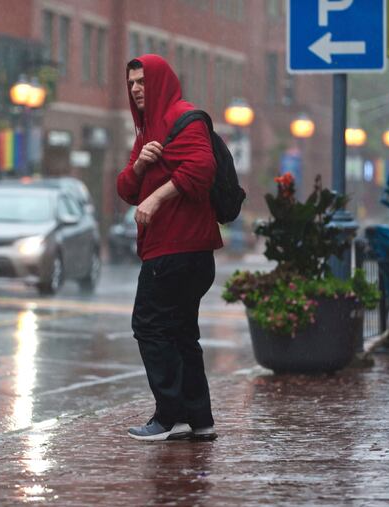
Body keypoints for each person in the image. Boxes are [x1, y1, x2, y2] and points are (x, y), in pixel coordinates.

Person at [117, 54, 223, 442]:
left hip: (178, 251)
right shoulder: (146, 130)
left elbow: (201, 169)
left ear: (160, 80)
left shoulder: (185, 118)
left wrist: (157, 198)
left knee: (149, 327)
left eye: (142, 81)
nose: (135, 89)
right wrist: (140, 167)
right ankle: (200, 419)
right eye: (131, 83)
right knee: (180, 334)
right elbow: (126, 190)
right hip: (171, 251)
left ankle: (170, 416)